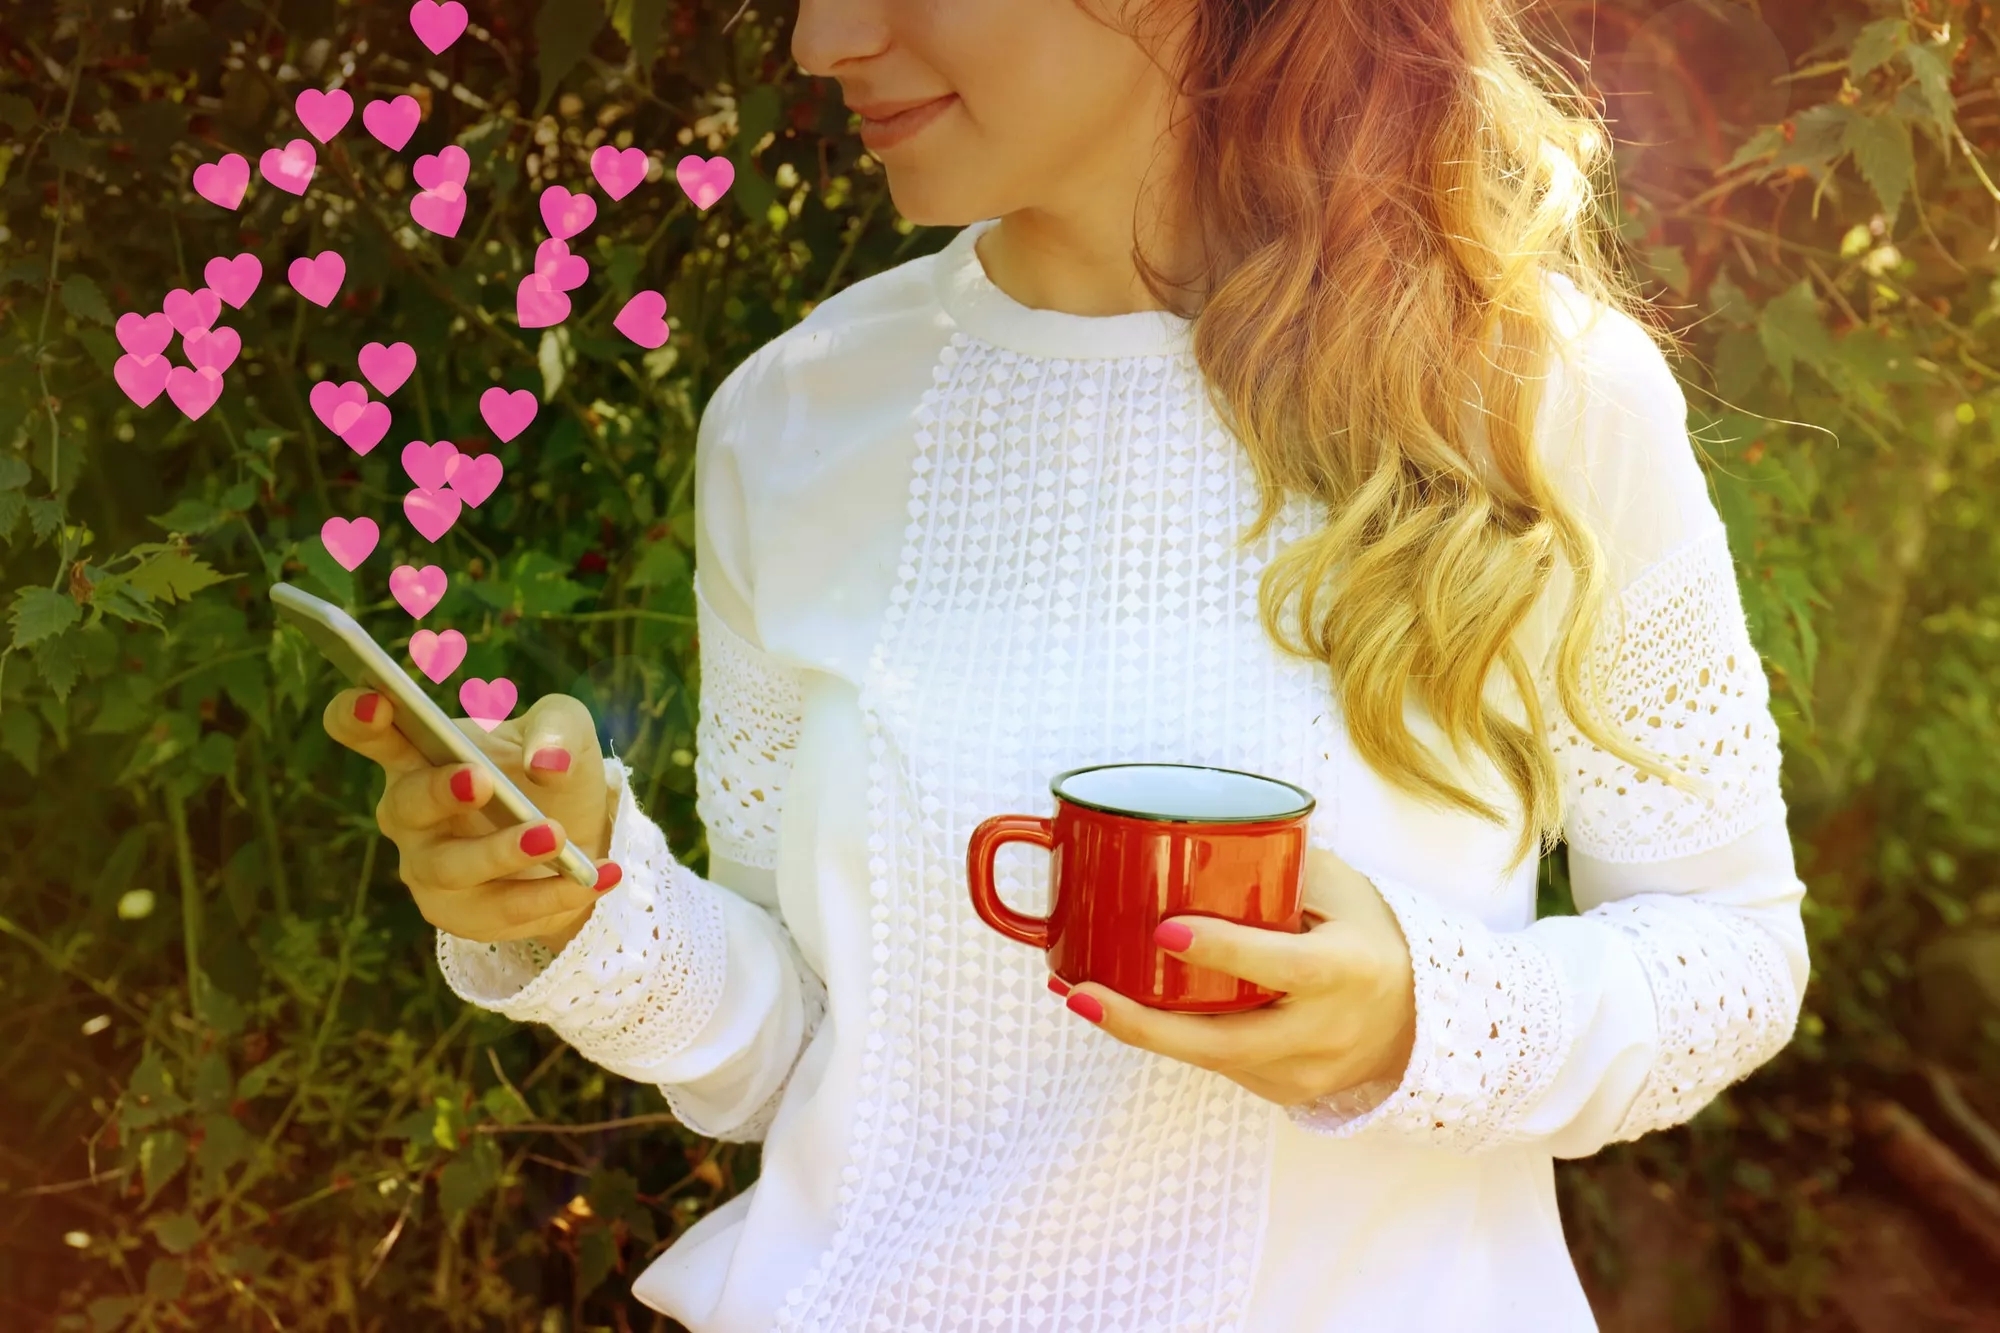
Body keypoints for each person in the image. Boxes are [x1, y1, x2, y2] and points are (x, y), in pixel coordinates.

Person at [322, 0, 1810, 1327]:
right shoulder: (792, 423)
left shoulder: (1537, 393)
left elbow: (1734, 952)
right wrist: (587, 904)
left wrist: (1425, 1016)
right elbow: (804, 1060)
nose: (820, 40)